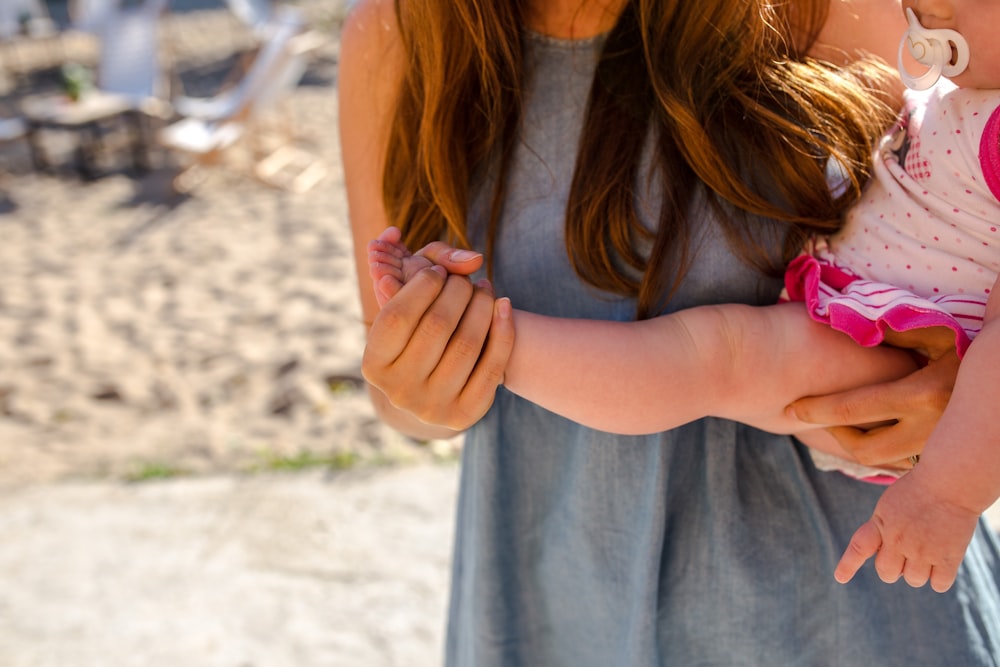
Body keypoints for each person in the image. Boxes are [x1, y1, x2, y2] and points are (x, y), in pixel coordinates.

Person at [340, 0, 1000, 665]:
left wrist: (962, 395)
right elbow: (401, 404)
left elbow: (964, 229)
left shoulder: (820, 8)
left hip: (847, 610)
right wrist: (423, 380)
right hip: (557, 604)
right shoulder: (396, 37)